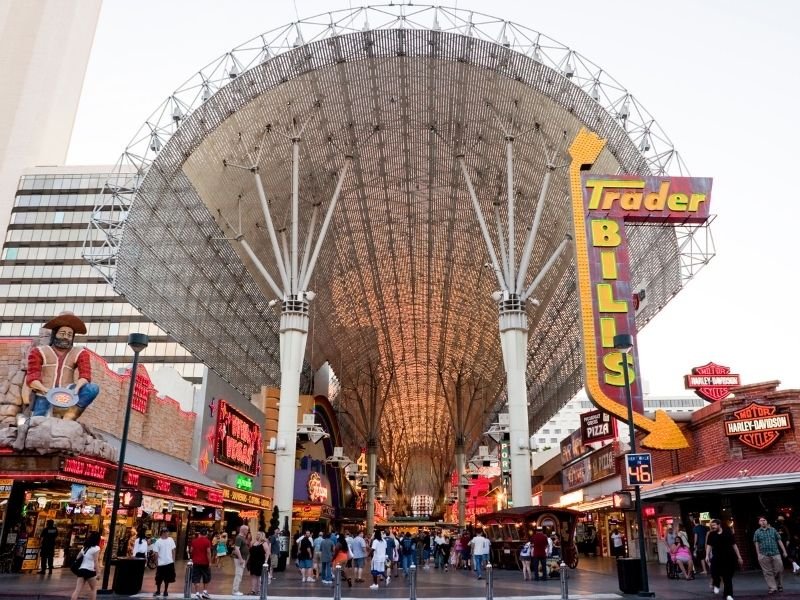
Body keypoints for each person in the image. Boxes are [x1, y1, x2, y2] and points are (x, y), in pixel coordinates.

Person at [26, 312, 99, 420]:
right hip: (44, 394)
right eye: (62, 333)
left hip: (67, 394)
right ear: (55, 334)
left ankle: (69, 417)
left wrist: (75, 391)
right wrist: (46, 390)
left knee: (93, 388)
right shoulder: (39, 351)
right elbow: (32, 378)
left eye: (69, 335)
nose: (65, 337)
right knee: (37, 423)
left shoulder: (80, 353)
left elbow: (85, 375)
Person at [706, 518, 743, 600]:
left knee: (727, 578)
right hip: (716, 557)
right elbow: (709, 545)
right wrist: (707, 555)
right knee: (714, 572)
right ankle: (717, 584)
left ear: (719, 525)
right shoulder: (711, 534)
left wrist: (739, 556)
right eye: (712, 526)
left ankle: (728, 595)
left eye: (714, 525)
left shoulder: (727, 533)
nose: (713, 527)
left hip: (728, 557)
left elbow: (734, 545)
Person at [753, 516, 788, 594]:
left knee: (779, 569)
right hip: (763, 554)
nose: (763, 522)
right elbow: (756, 544)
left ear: (767, 521)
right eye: (761, 520)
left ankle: (779, 585)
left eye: (764, 520)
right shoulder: (757, 532)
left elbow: (779, 541)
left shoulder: (773, 530)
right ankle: (772, 588)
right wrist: (758, 554)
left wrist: (784, 551)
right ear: (759, 523)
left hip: (775, 553)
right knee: (767, 572)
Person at [70, 531, 101, 600]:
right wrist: (98, 573)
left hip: (81, 570)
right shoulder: (96, 548)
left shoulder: (85, 547)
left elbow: (77, 557)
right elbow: (96, 561)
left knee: (77, 590)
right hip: (90, 570)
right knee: (93, 589)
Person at [153, 527, 177, 598]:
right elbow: (156, 553)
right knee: (159, 578)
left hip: (169, 562)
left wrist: (173, 560)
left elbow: (173, 550)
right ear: (163, 533)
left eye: (167, 532)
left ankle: (165, 591)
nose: (167, 533)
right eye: (166, 532)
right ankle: (158, 590)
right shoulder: (158, 541)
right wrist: (156, 562)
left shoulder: (171, 539)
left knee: (167, 578)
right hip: (161, 563)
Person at [231, 525, 249, 596]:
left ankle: (236, 590)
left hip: (242, 558)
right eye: (247, 530)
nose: (247, 531)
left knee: (239, 575)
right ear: (243, 530)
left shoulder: (242, 537)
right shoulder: (239, 538)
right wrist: (241, 559)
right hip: (239, 559)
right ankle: (235, 590)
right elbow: (237, 549)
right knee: (238, 574)